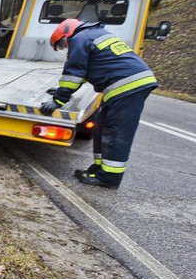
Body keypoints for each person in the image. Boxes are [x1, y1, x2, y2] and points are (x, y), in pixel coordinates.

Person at [40, 18, 157, 189]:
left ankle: (108, 178)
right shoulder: (92, 35)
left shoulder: (80, 39)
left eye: (62, 44)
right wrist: (60, 89)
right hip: (127, 85)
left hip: (128, 86)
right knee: (101, 127)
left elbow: (74, 73)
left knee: (116, 132)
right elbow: (90, 70)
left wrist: (58, 100)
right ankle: (99, 170)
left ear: (66, 34)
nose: (65, 48)